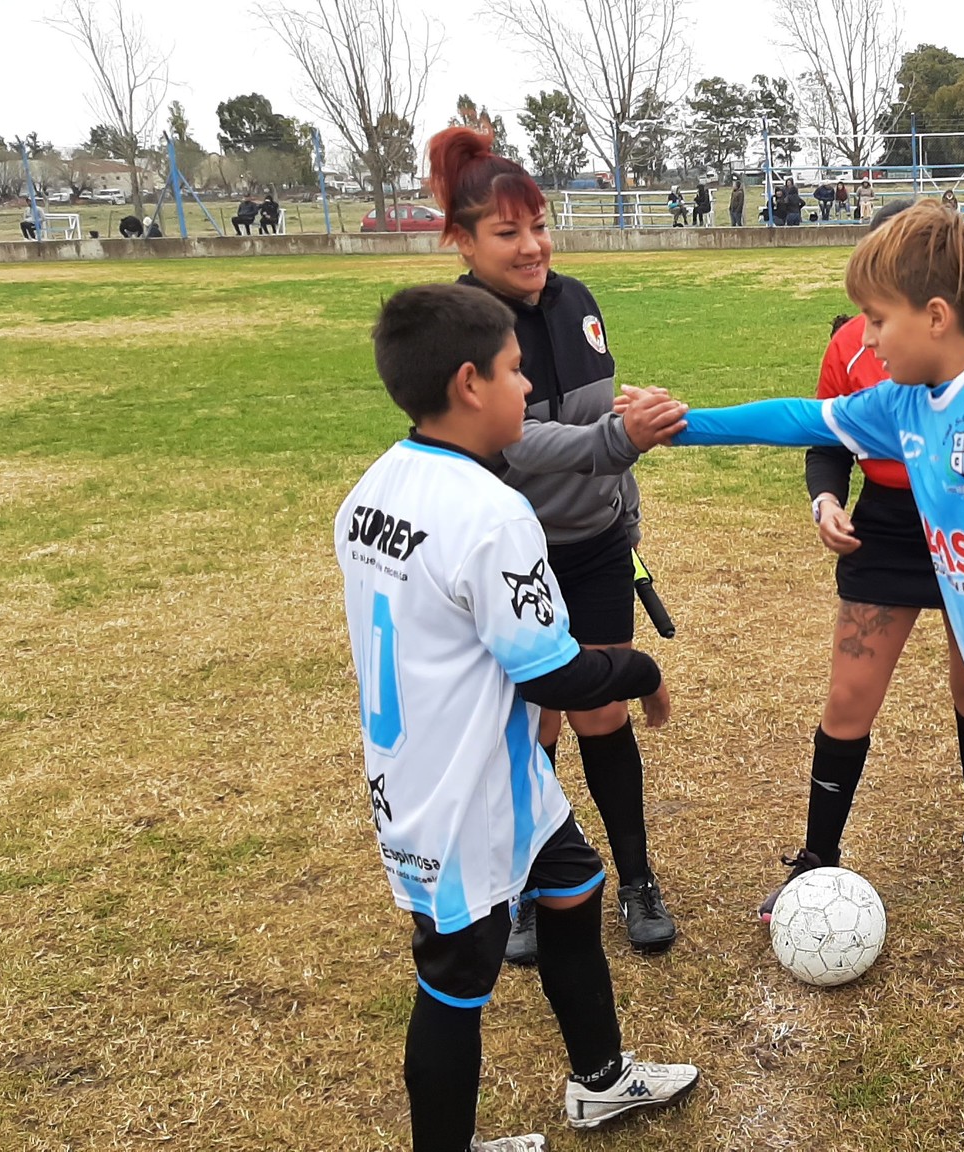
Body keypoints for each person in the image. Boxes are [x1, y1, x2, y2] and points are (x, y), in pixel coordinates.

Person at [630, 200, 964, 1152]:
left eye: (878, 320)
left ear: (937, 316)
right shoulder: (907, 406)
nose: (865, 340)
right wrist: (680, 425)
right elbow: (800, 418)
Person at [337, 283, 700, 1152]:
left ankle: (599, 1081)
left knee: (573, 885)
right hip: (457, 790)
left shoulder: (373, 487)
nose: (528, 386)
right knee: (455, 979)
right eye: (513, 371)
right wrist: (642, 668)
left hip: (486, 771)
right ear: (469, 385)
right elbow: (557, 673)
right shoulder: (493, 513)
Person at [426, 125, 683, 961]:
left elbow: (599, 421)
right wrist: (620, 441)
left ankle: (637, 878)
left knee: (602, 711)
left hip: (597, 545)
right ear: (464, 241)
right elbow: (519, 443)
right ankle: (531, 884)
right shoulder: (462, 326)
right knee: (532, 726)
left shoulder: (578, 302)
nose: (533, 245)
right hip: (515, 559)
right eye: (508, 232)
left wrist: (624, 505)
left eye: (538, 225)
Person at [753, 199, 964, 922]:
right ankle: (818, 855)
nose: (875, 323)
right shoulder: (852, 342)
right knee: (850, 696)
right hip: (886, 528)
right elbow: (824, 436)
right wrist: (825, 501)